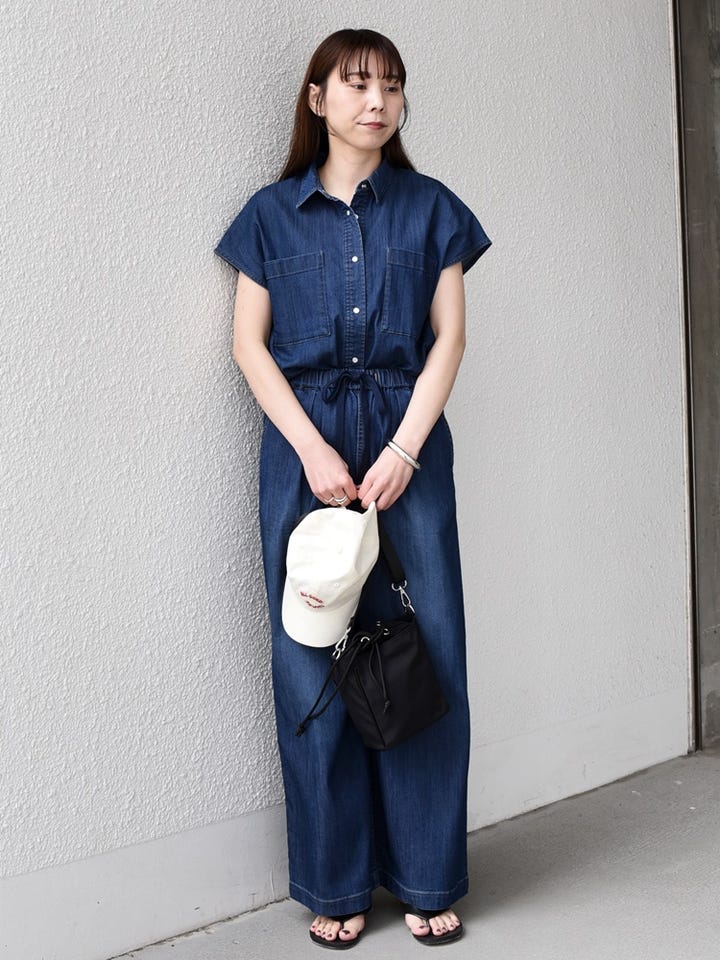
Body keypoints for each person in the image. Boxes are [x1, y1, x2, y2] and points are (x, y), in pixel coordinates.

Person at [214, 28, 492, 948]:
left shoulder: (433, 208)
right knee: (312, 660)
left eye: (393, 87)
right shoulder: (268, 216)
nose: (378, 102)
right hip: (307, 459)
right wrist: (310, 450)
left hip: (409, 457)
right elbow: (249, 344)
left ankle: (425, 875)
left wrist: (405, 448)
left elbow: (450, 339)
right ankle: (334, 883)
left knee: (429, 652)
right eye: (359, 83)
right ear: (317, 98)